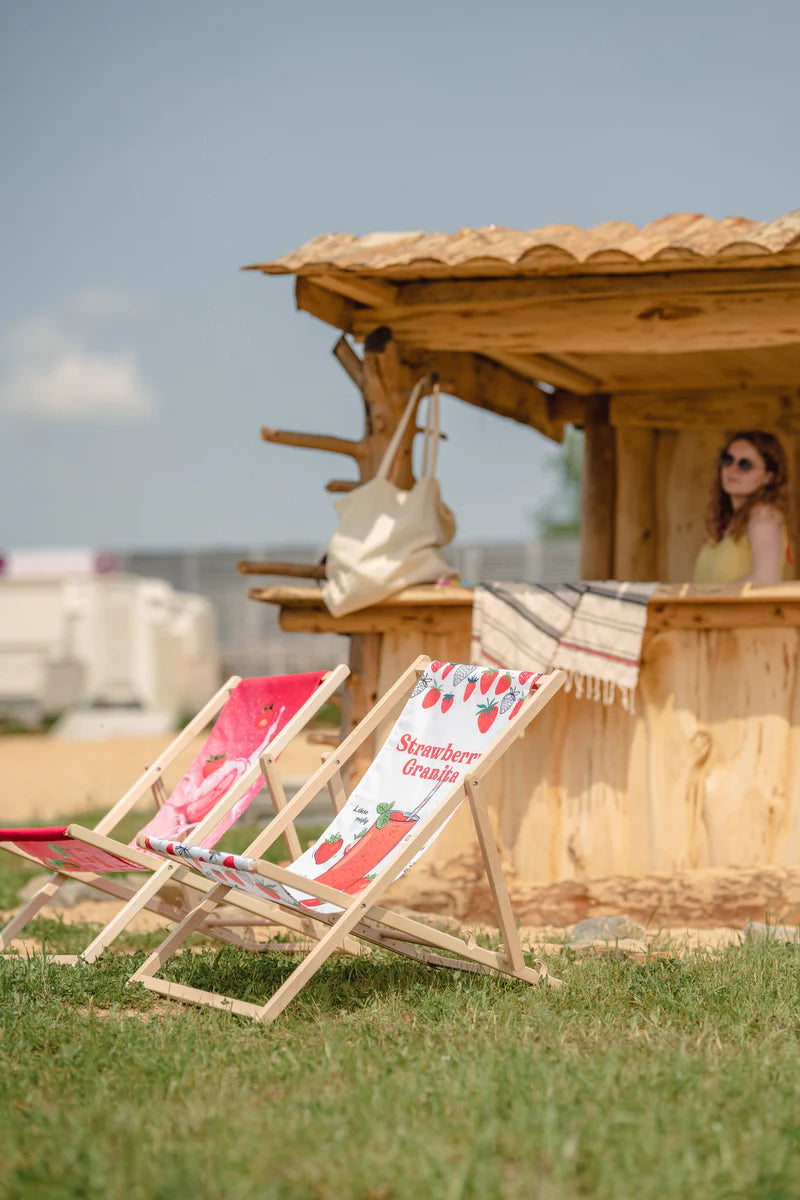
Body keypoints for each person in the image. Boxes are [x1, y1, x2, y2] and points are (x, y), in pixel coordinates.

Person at [693, 430, 792, 585]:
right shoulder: (727, 522)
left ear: (768, 477)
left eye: (745, 464)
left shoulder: (764, 515)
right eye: (727, 459)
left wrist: (710, 596)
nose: (732, 469)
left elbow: (765, 579)